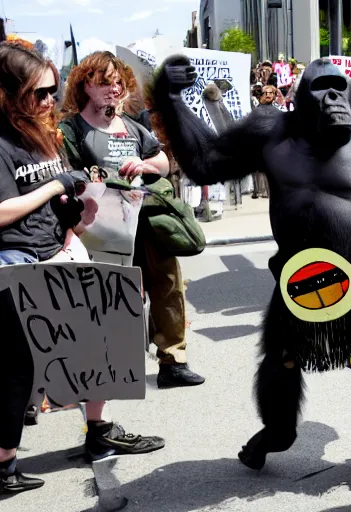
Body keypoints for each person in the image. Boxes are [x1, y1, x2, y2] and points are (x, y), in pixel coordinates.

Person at [0, 43, 165, 495]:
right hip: (18, 263)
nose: (50, 101)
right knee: (17, 369)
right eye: (39, 93)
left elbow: (61, 194)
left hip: (61, 250)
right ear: (9, 94)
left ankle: (100, 431)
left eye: (52, 91)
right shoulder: (2, 141)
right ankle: (4, 466)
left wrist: (77, 217)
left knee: (101, 343)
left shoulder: (46, 133)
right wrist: (57, 184)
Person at [59, 51, 205, 388]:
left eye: (117, 81)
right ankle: (109, 368)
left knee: (168, 287)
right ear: (85, 85)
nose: (113, 88)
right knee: (110, 295)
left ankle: (173, 361)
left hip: (149, 224)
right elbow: (68, 175)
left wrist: (146, 166)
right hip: (102, 229)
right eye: (103, 81)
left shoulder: (132, 126)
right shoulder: (71, 129)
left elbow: (163, 162)